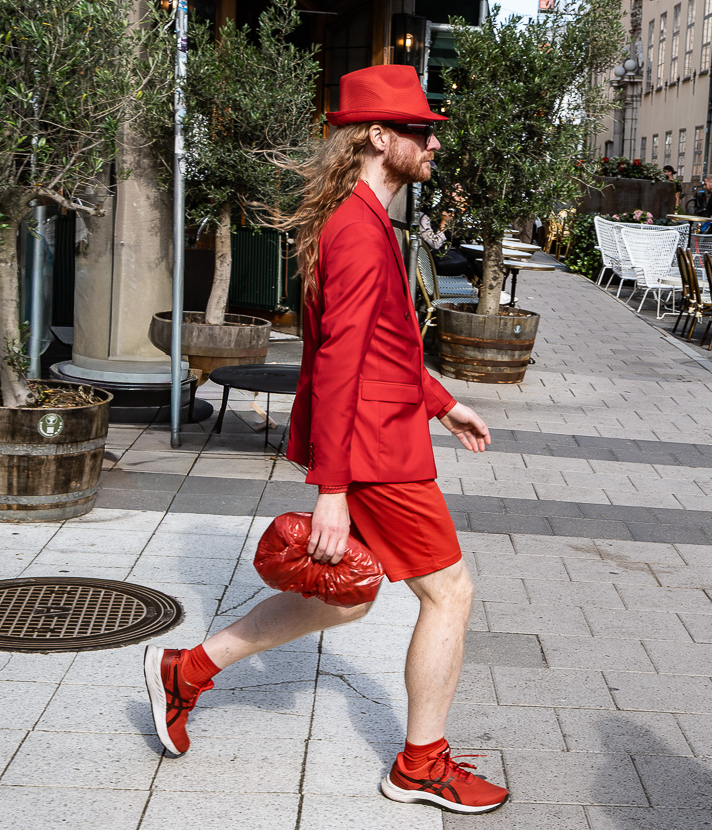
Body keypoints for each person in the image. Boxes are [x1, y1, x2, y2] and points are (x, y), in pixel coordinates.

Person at [143, 64, 509, 816]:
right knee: (450, 595)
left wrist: (441, 402)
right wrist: (332, 493)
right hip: (374, 454)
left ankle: (186, 670)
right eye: (420, 131)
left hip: (383, 437)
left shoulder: (366, 221)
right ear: (380, 138)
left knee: (344, 601)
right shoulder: (358, 231)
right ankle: (420, 766)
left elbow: (384, 344)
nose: (432, 144)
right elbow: (338, 366)